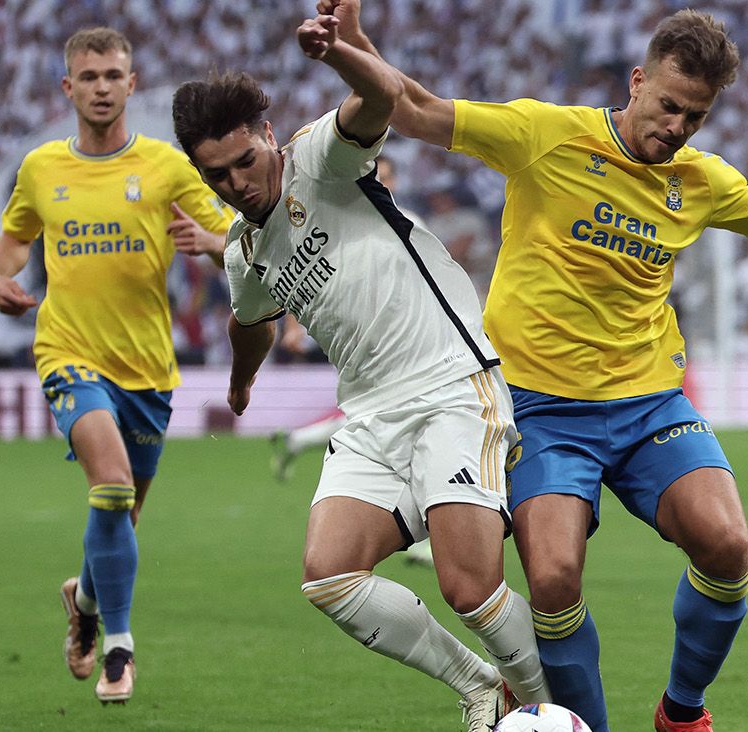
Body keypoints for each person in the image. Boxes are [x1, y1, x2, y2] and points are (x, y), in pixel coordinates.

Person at [319, 3, 748, 730]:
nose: (677, 127)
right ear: (638, 82)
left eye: (695, 117)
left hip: (648, 405)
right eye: (669, 106)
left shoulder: (698, 179)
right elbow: (415, 107)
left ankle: (682, 712)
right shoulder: (546, 134)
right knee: (552, 577)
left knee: (727, 546)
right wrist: (353, 48)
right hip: (538, 407)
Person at [170, 15, 549, 731]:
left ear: (267, 131)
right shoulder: (243, 252)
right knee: (329, 573)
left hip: (448, 387)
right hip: (372, 416)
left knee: (469, 586)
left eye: (244, 161)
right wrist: (240, 383)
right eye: (214, 175)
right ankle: (479, 687)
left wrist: (339, 50)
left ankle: (551, 708)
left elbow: (381, 98)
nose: (235, 183)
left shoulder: (319, 157)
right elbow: (249, 322)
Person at [0, 27, 232, 704]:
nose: (100, 87)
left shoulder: (166, 166)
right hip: (67, 352)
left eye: (111, 75)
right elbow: (10, 244)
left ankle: (85, 600)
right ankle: (118, 649)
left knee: (120, 516)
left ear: (131, 83)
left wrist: (209, 241)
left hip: (147, 369)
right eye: (87, 76)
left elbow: (233, 240)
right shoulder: (40, 169)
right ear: (69, 88)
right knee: (113, 486)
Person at [267, 154, 436, 568]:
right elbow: (303, 269)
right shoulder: (336, 223)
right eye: (376, 173)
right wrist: (291, 325)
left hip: (414, 350)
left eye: (389, 174)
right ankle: (419, 531)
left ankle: (300, 443)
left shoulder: (408, 218)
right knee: (399, 433)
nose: (383, 180)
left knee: (410, 436)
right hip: (365, 352)